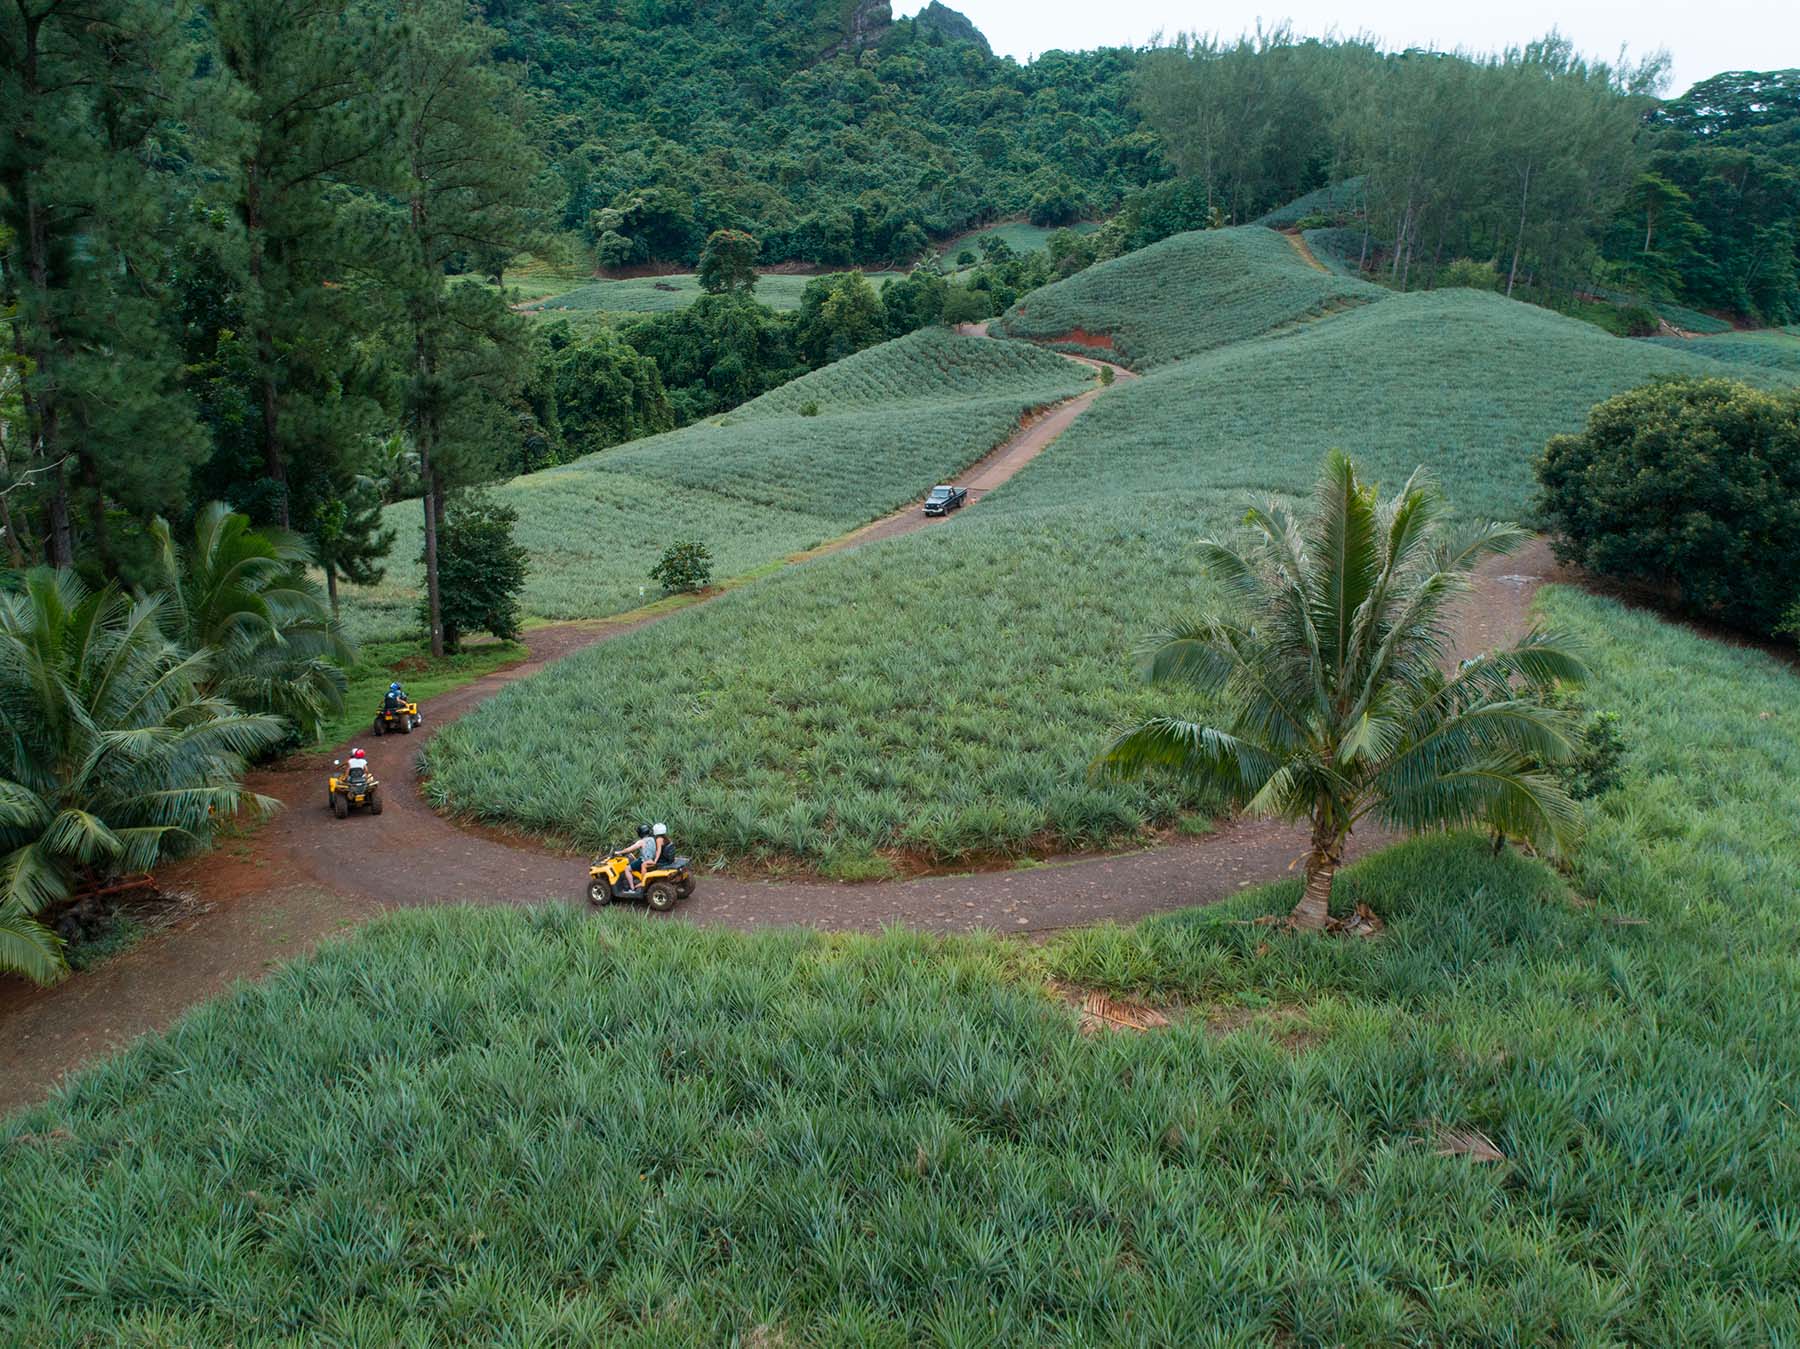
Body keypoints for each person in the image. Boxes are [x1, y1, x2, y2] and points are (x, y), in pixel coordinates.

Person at [622, 822, 655, 894]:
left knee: (627, 869)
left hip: (644, 861)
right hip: (652, 860)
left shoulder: (641, 841)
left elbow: (629, 849)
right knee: (635, 860)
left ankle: (632, 888)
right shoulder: (652, 839)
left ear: (640, 834)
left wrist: (619, 852)